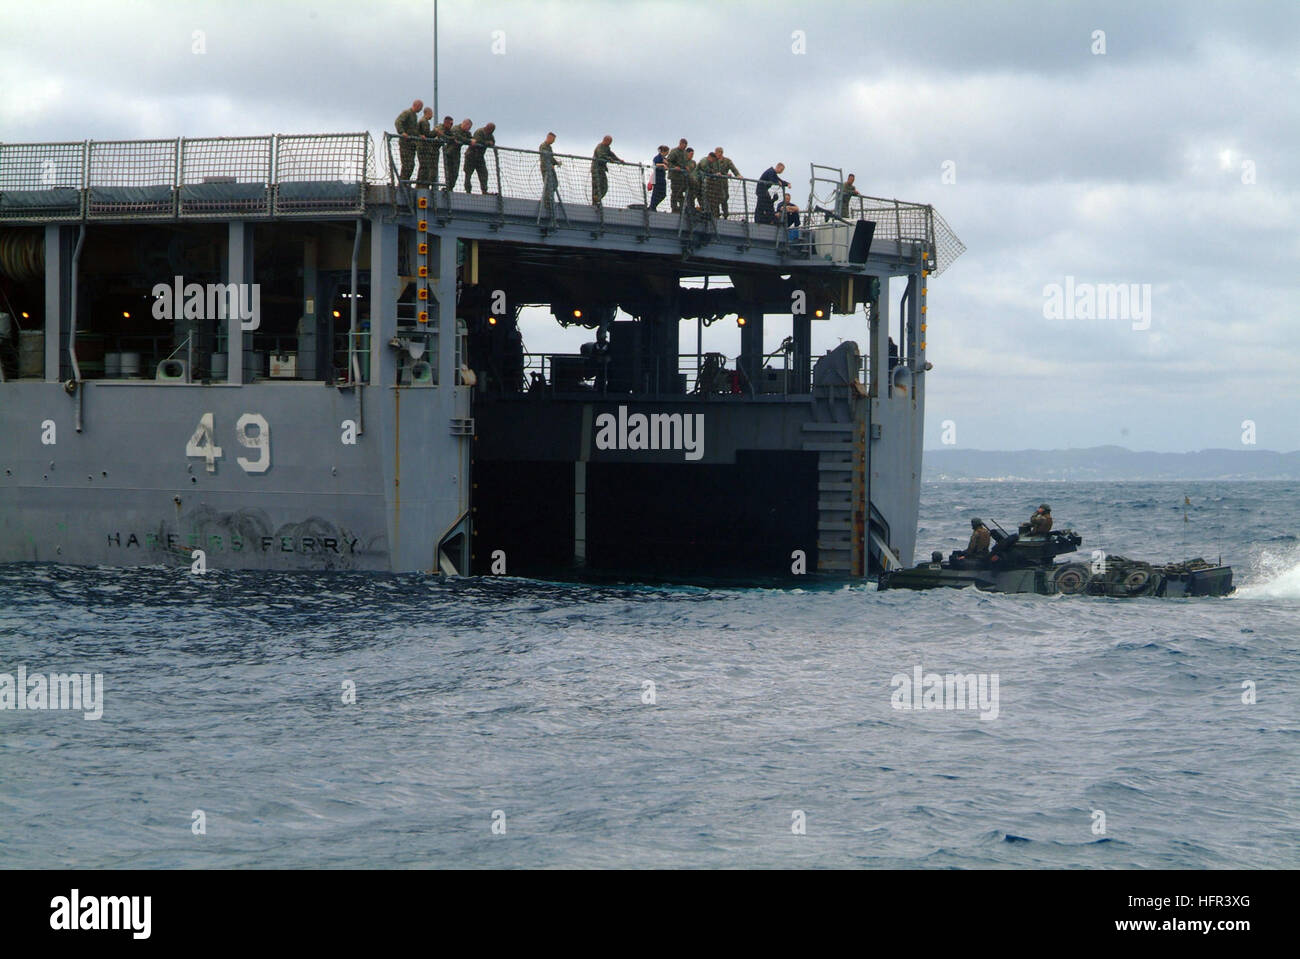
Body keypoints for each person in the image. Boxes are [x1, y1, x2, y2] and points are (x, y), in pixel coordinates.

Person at [394, 99, 423, 182]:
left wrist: (418, 135)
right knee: (407, 164)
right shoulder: (407, 113)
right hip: (405, 143)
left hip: (411, 144)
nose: (421, 109)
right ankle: (403, 182)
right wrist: (402, 132)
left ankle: (405, 182)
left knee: (411, 165)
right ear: (417, 106)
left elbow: (413, 130)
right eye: (420, 107)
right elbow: (398, 122)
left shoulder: (414, 116)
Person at [464, 121, 496, 193]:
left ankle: (484, 190)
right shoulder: (480, 131)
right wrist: (487, 143)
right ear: (487, 127)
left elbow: (493, 142)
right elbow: (478, 141)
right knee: (468, 174)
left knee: (484, 173)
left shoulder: (490, 134)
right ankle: (468, 190)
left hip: (480, 157)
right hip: (471, 155)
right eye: (490, 129)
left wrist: (490, 143)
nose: (491, 131)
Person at [442, 118, 472, 191]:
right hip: (449, 152)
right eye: (469, 127)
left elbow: (471, 138)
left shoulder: (466, 132)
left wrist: (471, 140)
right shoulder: (455, 129)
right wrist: (469, 141)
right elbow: (458, 137)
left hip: (456, 154)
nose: (469, 129)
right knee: (449, 171)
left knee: (455, 172)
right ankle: (448, 187)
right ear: (465, 124)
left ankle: (450, 187)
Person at [591, 135, 622, 205]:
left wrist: (619, 160)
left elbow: (611, 155)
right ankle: (595, 202)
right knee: (597, 186)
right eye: (609, 142)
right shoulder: (600, 147)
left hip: (601, 169)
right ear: (606, 140)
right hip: (596, 169)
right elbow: (601, 155)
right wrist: (609, 159)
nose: (610, 143)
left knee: (604, 186)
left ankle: (597, 199)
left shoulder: (606, 148)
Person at [712, 147, 741, 217]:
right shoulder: (713, 161)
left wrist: (738, 175)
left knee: (724, 198)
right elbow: (709, 170)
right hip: (714, 183)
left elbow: (733, 168)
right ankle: (716, 216)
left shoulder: (727, 161)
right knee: (715, 200)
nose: (716, 154)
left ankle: (725, 214)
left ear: (721, 153)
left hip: (723, 183)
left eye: (718, 152)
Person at [539, 131, 562, 213]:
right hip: (546, 169)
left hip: (550, 168)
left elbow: (551, 157)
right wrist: (553, 163)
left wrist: (556, 163)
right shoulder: (543, 146)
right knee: (548, 185)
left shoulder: (549, 147)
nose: (553, 141)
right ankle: (547, 202)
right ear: (549, 138)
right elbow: (547, 156)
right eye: (553, 139)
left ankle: (549, 199)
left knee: (554, 183)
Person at [415, 107, 437, 187]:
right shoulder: (424, 122)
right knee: (424, 166)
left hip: (421, 146)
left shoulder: (422, 121)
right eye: (431, 113)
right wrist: (436, 132)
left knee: (424, 166)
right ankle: (421, 184)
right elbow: (427, 134)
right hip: (423, 147)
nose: (432, 115)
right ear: (427, 113)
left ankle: (421, 183)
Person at [665, 138, 689, 212]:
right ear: (680, 144)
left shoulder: (685, 153)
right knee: (675, 192)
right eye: (684, 145)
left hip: (682, 176)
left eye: (686, 146)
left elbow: (684, 163)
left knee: (681, 192)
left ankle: (681, 208)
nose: (684, 147)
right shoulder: (674, 151)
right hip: (675, 176)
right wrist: (674, 167)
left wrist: (686, 167)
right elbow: (667, 161)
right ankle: (674, 208)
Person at [649, 145, 669, 210]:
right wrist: (663, 164)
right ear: (663, 151)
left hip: (662, 178)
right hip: (657, 178)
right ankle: (652, 207)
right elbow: (655, 164)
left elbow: (668, 166)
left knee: (663, 194)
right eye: (667, 152)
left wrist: (667, 164)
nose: (667, 153)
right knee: (655, 194)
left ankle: (653, 206)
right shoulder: (658, 157)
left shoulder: (665, 159)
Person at [683, 147, 701, 212]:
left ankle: (691, 207)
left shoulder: (693, 162)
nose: (692, 155)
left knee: (692, 195)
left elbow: (695, 171)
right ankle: (682, 208)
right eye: (691, 154)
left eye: (693, 154)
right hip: (683, 180)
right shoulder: (683, 161)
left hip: (692, 181)